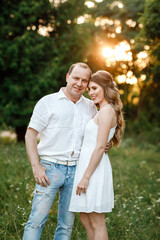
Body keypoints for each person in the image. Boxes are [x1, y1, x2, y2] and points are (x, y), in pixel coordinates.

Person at [23, 62, 97, 240]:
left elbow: (96, 136)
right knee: (36, 220)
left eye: (84, 81)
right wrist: (36, 167)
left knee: (66, 226)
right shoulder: (48, 102)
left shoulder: (90, 107)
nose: (79, 83)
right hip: (50, 169)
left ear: (87, 84)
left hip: (77, 171)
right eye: (76, 78)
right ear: (67, 77)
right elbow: (30, 134)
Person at [69, 70, 125, 240]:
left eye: (94, 88)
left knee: (96, 220)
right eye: (89, 90)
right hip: (88, 165)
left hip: (94, 170)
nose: (91, 93)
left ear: (105, 87)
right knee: (85, 217)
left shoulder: (107, 111)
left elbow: (100, 147)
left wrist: (86, 177)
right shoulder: (102, 110)